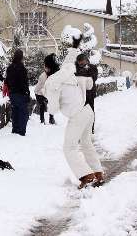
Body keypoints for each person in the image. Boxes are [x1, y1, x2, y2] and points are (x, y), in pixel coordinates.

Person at [44, 35, 104, 189]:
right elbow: (70, 58)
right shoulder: (67, 69)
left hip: (77, 115)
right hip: (87, 110)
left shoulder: (51, 82)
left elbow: (54, 109)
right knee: (86, 143)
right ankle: (98, 173)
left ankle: (86, 175)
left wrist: (48, 99)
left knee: (69, 147)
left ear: (47, 68)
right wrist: (75, 44)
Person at [5, 49, 30, 136]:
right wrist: (27, 93)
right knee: (23, 113)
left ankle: (15, 129)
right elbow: (24, 82)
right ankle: (21, 131)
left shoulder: (10, 68)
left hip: (12, 94)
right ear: (21, 57)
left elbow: (7, 81)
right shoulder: (22, 68)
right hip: (21, 94)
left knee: (15, 111)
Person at [75, 54, 98, 134]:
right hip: (79, 93)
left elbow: (94, 78)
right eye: (79, 63)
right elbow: (74, 76)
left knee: (90, 110)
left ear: (86, 60)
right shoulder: (76, 67)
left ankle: (91, 128)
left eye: (82, 62)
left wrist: (84, 71)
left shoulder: (92, 67)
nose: (80, 64)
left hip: (90, 93)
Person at [34, 54, 60, 125]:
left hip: (47, 93)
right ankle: (42, 120)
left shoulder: (53, 75)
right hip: (39, 93)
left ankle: (51, 118)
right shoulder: (43, 76)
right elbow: (39, 88)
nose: (45, 68)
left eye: (46, 67)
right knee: (42, 105)